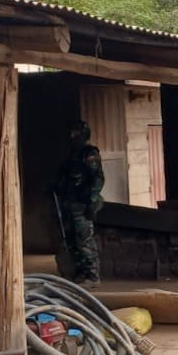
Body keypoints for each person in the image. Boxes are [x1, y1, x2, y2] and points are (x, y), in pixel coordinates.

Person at [53, 120, 104, 287]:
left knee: (85, 240)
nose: (73, 136)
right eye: (72, 133)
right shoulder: (71, 155)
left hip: (83, 204)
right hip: (69, 204)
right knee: (72, 241)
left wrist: (92, 202)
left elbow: (97, 179)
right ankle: (81, 273)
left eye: (76, 133)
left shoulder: (89, 153)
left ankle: (92, 275)